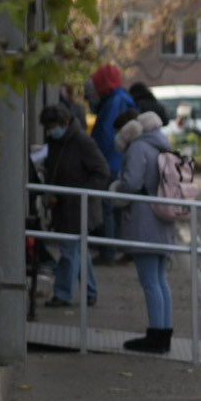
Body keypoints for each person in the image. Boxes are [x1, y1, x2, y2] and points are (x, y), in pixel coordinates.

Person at [111, 110, 178, 352]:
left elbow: (131, 183)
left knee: (150, 280)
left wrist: (115, 189)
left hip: (144, 218)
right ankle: (163, 333)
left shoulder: (138, 147)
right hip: (162, 217)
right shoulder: (160, 143)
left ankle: (156, 337)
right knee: (160, 279)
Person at [38, 105, 109, 306]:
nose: (51, 131)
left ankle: (62, 294)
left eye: (53, 127)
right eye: (48, 127)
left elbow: (101, 171)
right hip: (64, 204)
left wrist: (81, 192)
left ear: (65, 123)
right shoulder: (55, 142)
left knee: (70, 251)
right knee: (78, 251)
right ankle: (90, 291)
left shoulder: (82, 142)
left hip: (78, 205)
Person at [88, 65, 136, 262]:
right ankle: (122, 248)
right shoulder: (118, 100)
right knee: (116, 208)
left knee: (109, 207)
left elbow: (108, 136)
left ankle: (109, 251)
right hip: (114, 161)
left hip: (111, 162)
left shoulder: (114, 102)